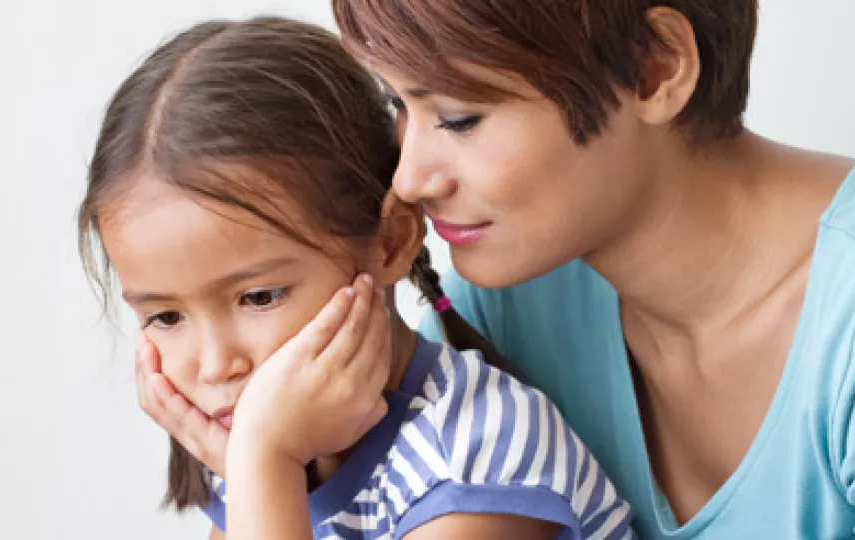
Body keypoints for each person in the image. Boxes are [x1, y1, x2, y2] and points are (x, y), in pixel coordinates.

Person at [329, 1, 855, 538]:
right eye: (397, 105)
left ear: (655, 67)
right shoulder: (505, 312)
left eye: (458, 117)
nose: (409, 179)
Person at [78, 16, 634, 539]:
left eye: (259, 297)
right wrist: (257, 466)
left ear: (390, 241)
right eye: (166, 317)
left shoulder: (478, 453)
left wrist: (264, 462)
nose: (216, 364)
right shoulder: (264, 453)